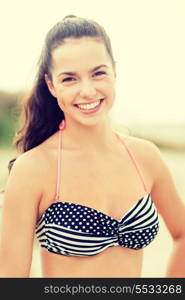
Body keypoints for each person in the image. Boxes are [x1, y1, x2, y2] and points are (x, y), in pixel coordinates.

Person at [0, 15, 185, 278]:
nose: (87, 90)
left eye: (98, 73)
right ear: (51, 86)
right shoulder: (33, 169)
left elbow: (182, 234)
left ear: (114, 72)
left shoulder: (144, 156)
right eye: (69, 79)